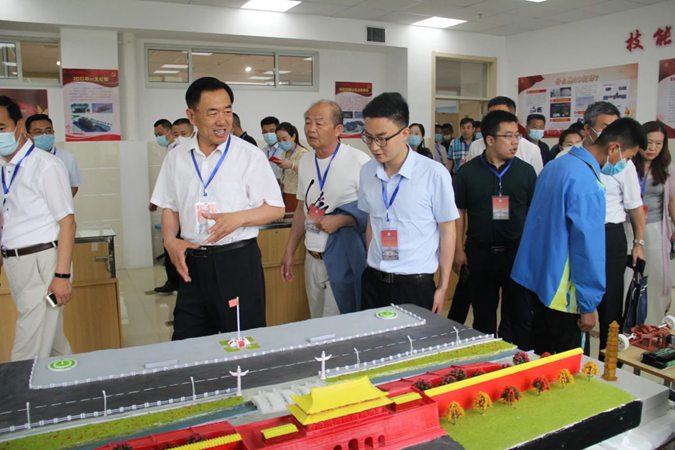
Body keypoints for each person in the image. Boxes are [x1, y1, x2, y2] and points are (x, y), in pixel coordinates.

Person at [150, 77, 285, 340]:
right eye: (212, 112)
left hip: (237, 261)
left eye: (227, 111)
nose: (222, 120)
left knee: (244, 343)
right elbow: (170, 206)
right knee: (188, 344)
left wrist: (238, 219)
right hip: (193, 264)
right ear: (192, 115)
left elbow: (275, 208)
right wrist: (169, 240)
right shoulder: (177, 157)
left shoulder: (249, 155)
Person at [511, 117, 646, 355]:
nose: (625, 164)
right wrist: (588, 304)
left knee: (541, 355)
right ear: (614, 148)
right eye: (627, 157)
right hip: (562, 291)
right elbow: (586, 248)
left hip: (535, 279)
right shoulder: (588, 183)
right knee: (566, 365)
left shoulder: (556, 165)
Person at [358, 93, 458, 313]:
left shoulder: (433, 173)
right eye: (369, 138)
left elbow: (447, 230)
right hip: (374, 281)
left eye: (382, 138)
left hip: (414, 286)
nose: (374, 146)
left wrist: (443, 286)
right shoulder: (367, 172)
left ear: (405, 133)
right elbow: (371, 222)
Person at [0, 95, 76, 361]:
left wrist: (62, 276)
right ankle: (68, 380)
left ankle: (17, 389)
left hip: (44, 263)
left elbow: (67, 222)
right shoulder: (4, 167)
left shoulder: (46, 166)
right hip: (18, 264)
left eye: (1, 127)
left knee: (28, 344)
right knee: (50, 337)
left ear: (19, 125)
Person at [453, 110, 537, 349]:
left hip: (516, 253)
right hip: (480, 253)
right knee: (483, 316)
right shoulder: (467, 173)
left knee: (520, 315)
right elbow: (459, 213)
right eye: (508, 136)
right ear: (490, 140)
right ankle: (487, 361)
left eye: (517, 136)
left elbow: (534, 214)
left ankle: (521, 361)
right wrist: (458, 250)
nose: (515, 142)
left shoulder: (526, 172)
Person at [280, 100, 370, 317]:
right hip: (312, 256)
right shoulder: (306, 161)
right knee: (316, 320)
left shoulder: (359, 161)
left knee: (338, 323)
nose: (311, 129)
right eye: (307, 122)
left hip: (342, 256)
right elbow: (301, 208)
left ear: (338, 129)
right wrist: (289, 251)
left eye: (319, 123)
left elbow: (375, 213)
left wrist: (343, 220)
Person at [584, 101, 645, 358]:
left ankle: (609, 363)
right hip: (581, 238)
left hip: (610, 238)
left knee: (610, 307)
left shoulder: (624, 164)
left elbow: (635, 207)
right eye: (605, 126)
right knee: (579, 307)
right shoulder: (570, 159)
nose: (612, 134)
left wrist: (638, 243)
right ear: (588, 129)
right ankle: (579, 360)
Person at [633, 121, 674, 325]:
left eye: (659, 143)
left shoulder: (666, 168)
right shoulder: (627, 164)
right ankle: (629, 323)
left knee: (655, 277)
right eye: (649, 142)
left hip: (656, 229)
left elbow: (672, 201)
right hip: (629, 228)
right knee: (629, 276)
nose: (653, 148)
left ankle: (653, 324)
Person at [465, 97, 543, 175]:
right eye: (492, 117)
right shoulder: (475, 146)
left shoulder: (531, 150)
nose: (496, 121)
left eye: (502, 116)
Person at [25, 114, 83, 197]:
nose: (44, 135)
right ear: (28, 135)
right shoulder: (23, 158)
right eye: (38, 132)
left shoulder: (67, 158)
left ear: (53, 132)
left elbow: (73, 187)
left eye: (48, 131)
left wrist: (62, 203)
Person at [275, 121, 308, 212]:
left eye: (284, 139)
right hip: (284, 192)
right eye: (278, 140)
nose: (281, 142)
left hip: (297, 194)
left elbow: (307, 173)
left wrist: (292, 165)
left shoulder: (303, 153)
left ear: (293, 137)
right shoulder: (283, 153)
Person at [260, 116, 285, 183]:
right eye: (265, 132)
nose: (268, 134)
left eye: (272, 131)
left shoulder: (284, 150)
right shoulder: (261, 152)